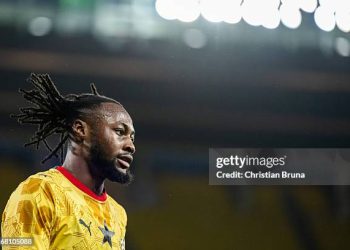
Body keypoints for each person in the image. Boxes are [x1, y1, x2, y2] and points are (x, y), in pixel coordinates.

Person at [1, 73, 136, 249]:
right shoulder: (38, 192)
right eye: (120, 132)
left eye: (132, 138)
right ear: (80, 130)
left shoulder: (118, 213)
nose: (131, 146)